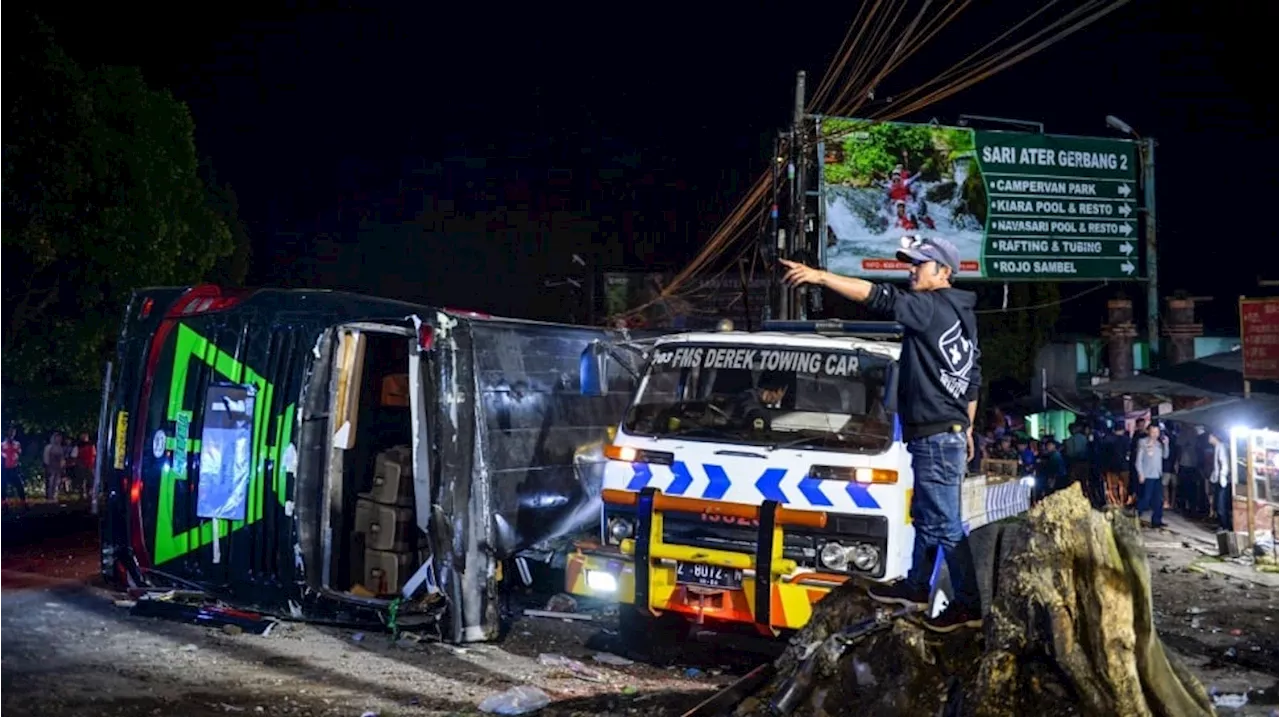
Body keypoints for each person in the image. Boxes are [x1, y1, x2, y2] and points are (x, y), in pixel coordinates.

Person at [781, 234, 982, 633]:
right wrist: (968, 424)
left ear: (943, 272)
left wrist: (822, 277)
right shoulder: (962, 314)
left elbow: (877, 296)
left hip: (937, 434)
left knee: (945, 524)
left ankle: (969, 605)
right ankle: (916, 587)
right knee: (927, 518)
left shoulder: (930, 307)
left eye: (919, 265)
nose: (911, 270)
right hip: (946, 429)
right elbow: (973, 377)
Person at [1133, 423, 1170, 528]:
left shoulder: (1159, 443)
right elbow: (1138, 460)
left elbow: (1165, 456)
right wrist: (1140, 473)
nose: (1155, 434)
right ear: (1148, 431)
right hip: (1147, 475)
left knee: (1159, 499)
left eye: (1157, 432)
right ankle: (1135, 516)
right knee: (1145, 498)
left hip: (1157, 474)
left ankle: (1157, 520)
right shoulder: (1143, 442)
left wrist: (1166, 444)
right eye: (1153, 432)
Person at [1100, 422, 1131, 507]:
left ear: (1113, 430)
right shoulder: (1127, 440)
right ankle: (1123, 503)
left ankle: (1115, 503)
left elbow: (1103, 456)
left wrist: (1103, 469)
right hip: (1125, 467)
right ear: (1123, 430)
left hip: (1111, 468)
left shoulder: (1107, 440)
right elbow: (1129, 454)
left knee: (1113, 487)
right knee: (1124, 486)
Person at [1208, 431, 1232, 533]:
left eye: (1210, 436)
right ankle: (1222, 525)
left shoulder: (1221, 447)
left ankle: (1225, 526)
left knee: (1221, 505)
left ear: (1215, 437)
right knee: (1218, 503)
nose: (1208, 438)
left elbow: (1223, 462)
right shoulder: (1218, 447)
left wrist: (1222, 476)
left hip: (1223, 480)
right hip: (1219, 479)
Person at [1, 426, 26, 510]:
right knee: (3, 485)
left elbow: (19, 453)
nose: (12, 433)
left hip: (13, 467)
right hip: (4, 468)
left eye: (13, 432)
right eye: (10, 431)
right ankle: (4, 503)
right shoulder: (2, 443)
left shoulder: (17, 443)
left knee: (19, 484)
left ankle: (23, 502)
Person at [42, 431, 65, 501]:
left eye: (59, 438)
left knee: (56, 482)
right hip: (50, 467)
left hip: (58, 467)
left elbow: (62, 458)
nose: (58, 439)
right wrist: (47, 465)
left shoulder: (60, 448)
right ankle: (49, 496)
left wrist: (62, 466)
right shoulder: (49, 447)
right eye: (57, 438)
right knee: (50, 482)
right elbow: (46, 457)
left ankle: (54, 496)